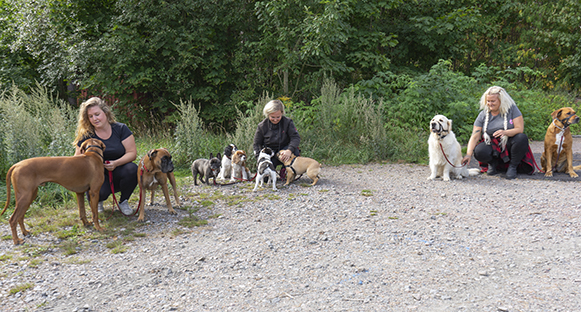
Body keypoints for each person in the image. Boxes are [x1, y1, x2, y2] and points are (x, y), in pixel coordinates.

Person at [73, 97, 138, 214]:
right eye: (91, 116)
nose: (94, 119)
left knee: (132, 169)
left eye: (97, 114)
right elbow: (76, 160)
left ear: (106, 112)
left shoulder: (121, 129)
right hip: (96, 175)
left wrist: (116, 163)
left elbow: (132, 153)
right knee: (101, 192)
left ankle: (123, 201)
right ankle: (97, 200)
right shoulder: (86, 135)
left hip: (119, 170)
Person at [462, 86, 534, 179]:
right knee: (479, 151)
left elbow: (519, 129)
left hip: (509, 141)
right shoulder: (483, 114)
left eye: (493, 101)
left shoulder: (512, 109)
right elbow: (475, 135)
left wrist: (505, 132)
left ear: (501, 101)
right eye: (488, 101)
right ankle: (493, 164)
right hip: (492, 144)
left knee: (521, 138)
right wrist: (468, 154)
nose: (490, 104)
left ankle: (513, 166)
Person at [253, 99, 301, 178]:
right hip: (270, 154)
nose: (275, 120)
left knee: (295, 151)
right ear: (268, 114)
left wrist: (289, 150)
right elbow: (256, 144)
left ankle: (286, 170)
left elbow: (295, 137)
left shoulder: (288, 122)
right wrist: (259, 159)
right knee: (265, 179)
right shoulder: (262, 126)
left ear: (282, 113)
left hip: (285, 152)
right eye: (272, 117)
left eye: (278, 117)